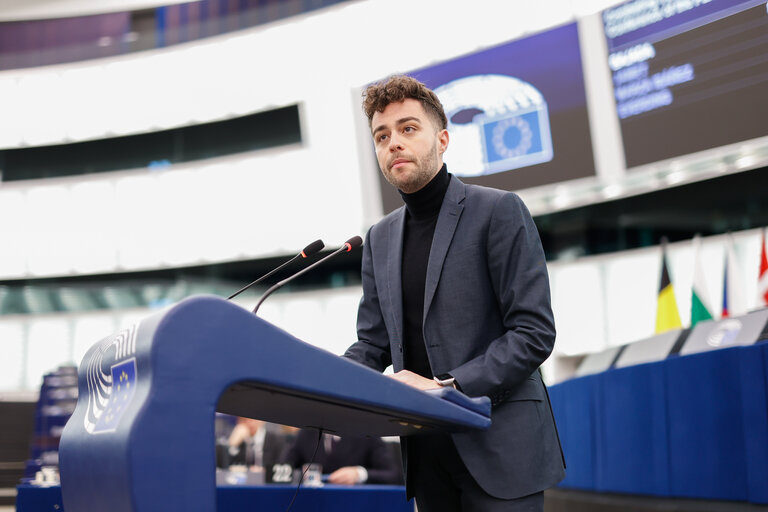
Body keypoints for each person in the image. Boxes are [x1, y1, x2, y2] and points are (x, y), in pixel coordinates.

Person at [342, 75, 565, 511]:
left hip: (500, 446)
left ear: (442, 139)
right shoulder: (380, 237)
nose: (393, 143)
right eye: (382, 135)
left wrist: (446, 386)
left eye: (408, 129)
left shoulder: (499, 210)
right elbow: (373, 342)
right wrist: (325, 380)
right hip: (427, 457)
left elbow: (533, 332)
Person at [280, 429, 402, 485]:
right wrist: (301, 475)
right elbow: (282, 469)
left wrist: (359, 474)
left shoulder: (366, 433)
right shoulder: (305, 433)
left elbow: (393, 475)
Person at [221, 417, 295, 482]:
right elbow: (224, 470)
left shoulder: (276, 440)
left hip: (268, 485)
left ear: (262, 421)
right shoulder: (239, 441)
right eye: (244, 420)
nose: (250, 423)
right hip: (246, 485)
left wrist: (265, 471)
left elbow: (285, 468)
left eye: (253, 419)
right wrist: (232, 444)